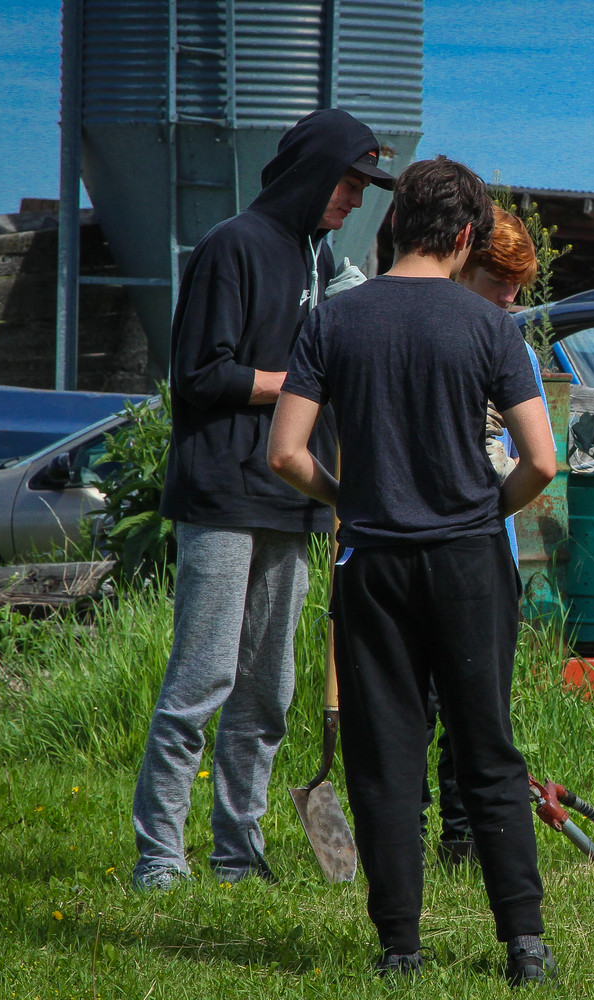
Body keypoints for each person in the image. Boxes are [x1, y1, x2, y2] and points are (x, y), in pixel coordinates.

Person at [268, 155, 558, 985]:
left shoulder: (335, 321)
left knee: (386, 756)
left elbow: (284, 452)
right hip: (468, 560)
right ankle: (525, 944)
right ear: (466, 236)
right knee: (486, 747)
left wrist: (347, 498)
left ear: (395, 224)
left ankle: (400, 947)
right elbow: (542, 460)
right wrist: (485, 511)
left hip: (375, 560)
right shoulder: (490, 328)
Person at [131, 108, 392, 891]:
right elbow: (199, 374)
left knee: (268, 692)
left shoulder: (321, 259)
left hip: (292, 494)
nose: (355, 200)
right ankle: (160, 858)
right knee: (202, 678)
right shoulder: (232, 246)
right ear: (314, 173)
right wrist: (303, 384)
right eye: (349, 183)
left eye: (364, 188)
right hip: (222, 491)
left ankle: (238, 856)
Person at [423, 205, 549, 866]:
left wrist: (490, 490)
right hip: (415, 543)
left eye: (518, 285)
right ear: (461, 264)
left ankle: (464, 839)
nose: (509, 298)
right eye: (498, 281)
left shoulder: (512, 347)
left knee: (476, 708)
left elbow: (536, 457)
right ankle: (404, 835)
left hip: (485, 546)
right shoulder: (420, 333)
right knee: (414, 703)